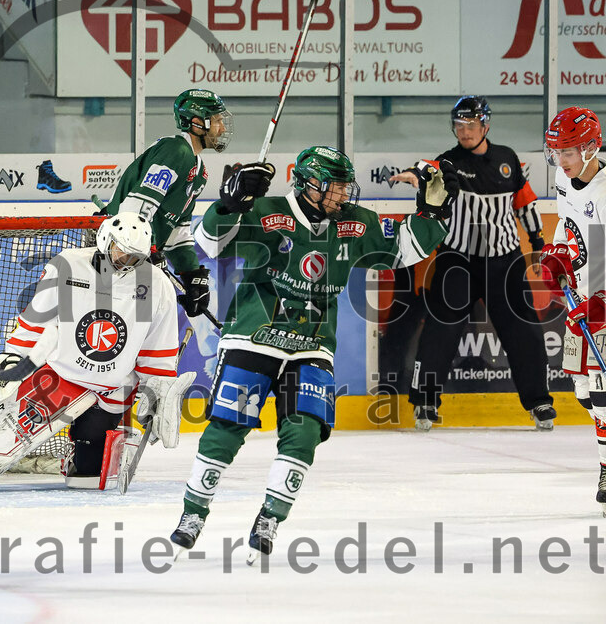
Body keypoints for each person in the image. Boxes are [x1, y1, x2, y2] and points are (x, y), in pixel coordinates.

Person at [169, 146, 456, 559]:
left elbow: (404, 251)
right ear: (307, 184)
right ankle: (193, 514)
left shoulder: (355, 224)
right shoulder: (265, 210)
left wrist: (432, 212)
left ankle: (270, 517)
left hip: (313, 342)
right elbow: (209, 242)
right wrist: (228, 204)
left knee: (304, 433)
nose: (342, 196)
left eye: (344, 188)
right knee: (228, 427)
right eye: (333, 188)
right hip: (254, 333)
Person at [0, 213, 193, 493]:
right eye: (120, 252)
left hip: (113, 389)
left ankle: (79, 454)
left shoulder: (156, 285)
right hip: (61, 376)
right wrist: (11, 363)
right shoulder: (67, 265)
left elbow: (156, 353)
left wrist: (158, 393)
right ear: (105, 240)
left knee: (87, 479)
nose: (125, 262)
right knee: (6, 433)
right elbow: (34, 324)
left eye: (134, 257)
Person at [391, 95, 554, 431]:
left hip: (505, 260)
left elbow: (524, 201)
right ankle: (424, 402)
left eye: (470, 125)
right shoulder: (448, 161)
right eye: (458, 125)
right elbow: (426, 169)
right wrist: (410, 174)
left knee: (524, 330)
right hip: (457, 260)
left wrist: (537, 243)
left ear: (486, 125)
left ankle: (539, 401)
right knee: (440, 330)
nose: (463, 131)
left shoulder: (507, 158)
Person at [103, 88, 272, 319]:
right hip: (112, 257)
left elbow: (178, 230)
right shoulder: (175, 151)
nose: (222, 128)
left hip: (133, 263)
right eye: (216, 120)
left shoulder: (199, 171)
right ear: (196, 122)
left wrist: (191, 273)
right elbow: (136, 208)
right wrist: (145, 249)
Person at [539, 106, 606, 515]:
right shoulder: (567, 178)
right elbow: (569, 227)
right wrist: (557, 257)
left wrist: (601, 300)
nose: (558, 161)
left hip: (601, 298)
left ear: (590, 148)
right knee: (582, 391)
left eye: (565, 152)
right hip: (583, 297)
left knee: (602, 393)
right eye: (556, 152)